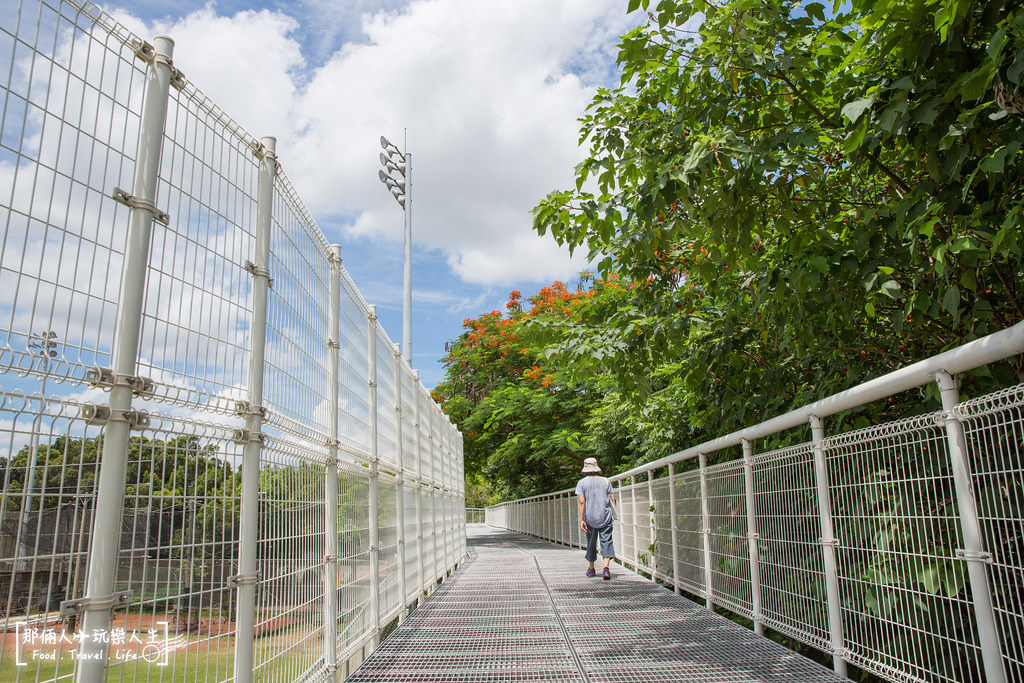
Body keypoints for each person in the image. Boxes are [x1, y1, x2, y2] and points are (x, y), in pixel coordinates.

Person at [575, 457, 616, 579]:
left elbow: (582, 502)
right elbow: (613, 498)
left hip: (590, 518)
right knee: (606, 540)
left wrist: (582, 519)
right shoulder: (606, 481)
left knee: (591, 542)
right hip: (605, 516)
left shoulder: (581, 483)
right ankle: (606, 569)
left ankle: (591, 569)